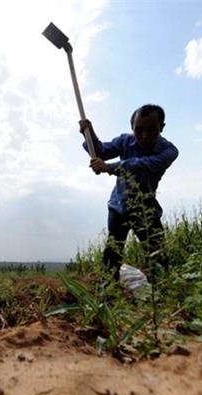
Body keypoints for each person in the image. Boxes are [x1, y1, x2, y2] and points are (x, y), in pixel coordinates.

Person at [79, 104, 178, 281]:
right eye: (138, 130)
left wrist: (109, 167)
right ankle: (107, 291)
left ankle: (162, 292)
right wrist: (89, 133)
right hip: (119, 206)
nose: (144, 136)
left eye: (151, 129)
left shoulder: (169, 151)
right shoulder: (125, 141)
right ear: (132, 128)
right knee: (113, 252)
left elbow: (143, 164)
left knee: (158, 255)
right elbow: (101, 151)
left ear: (162, 127)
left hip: (146, 208)